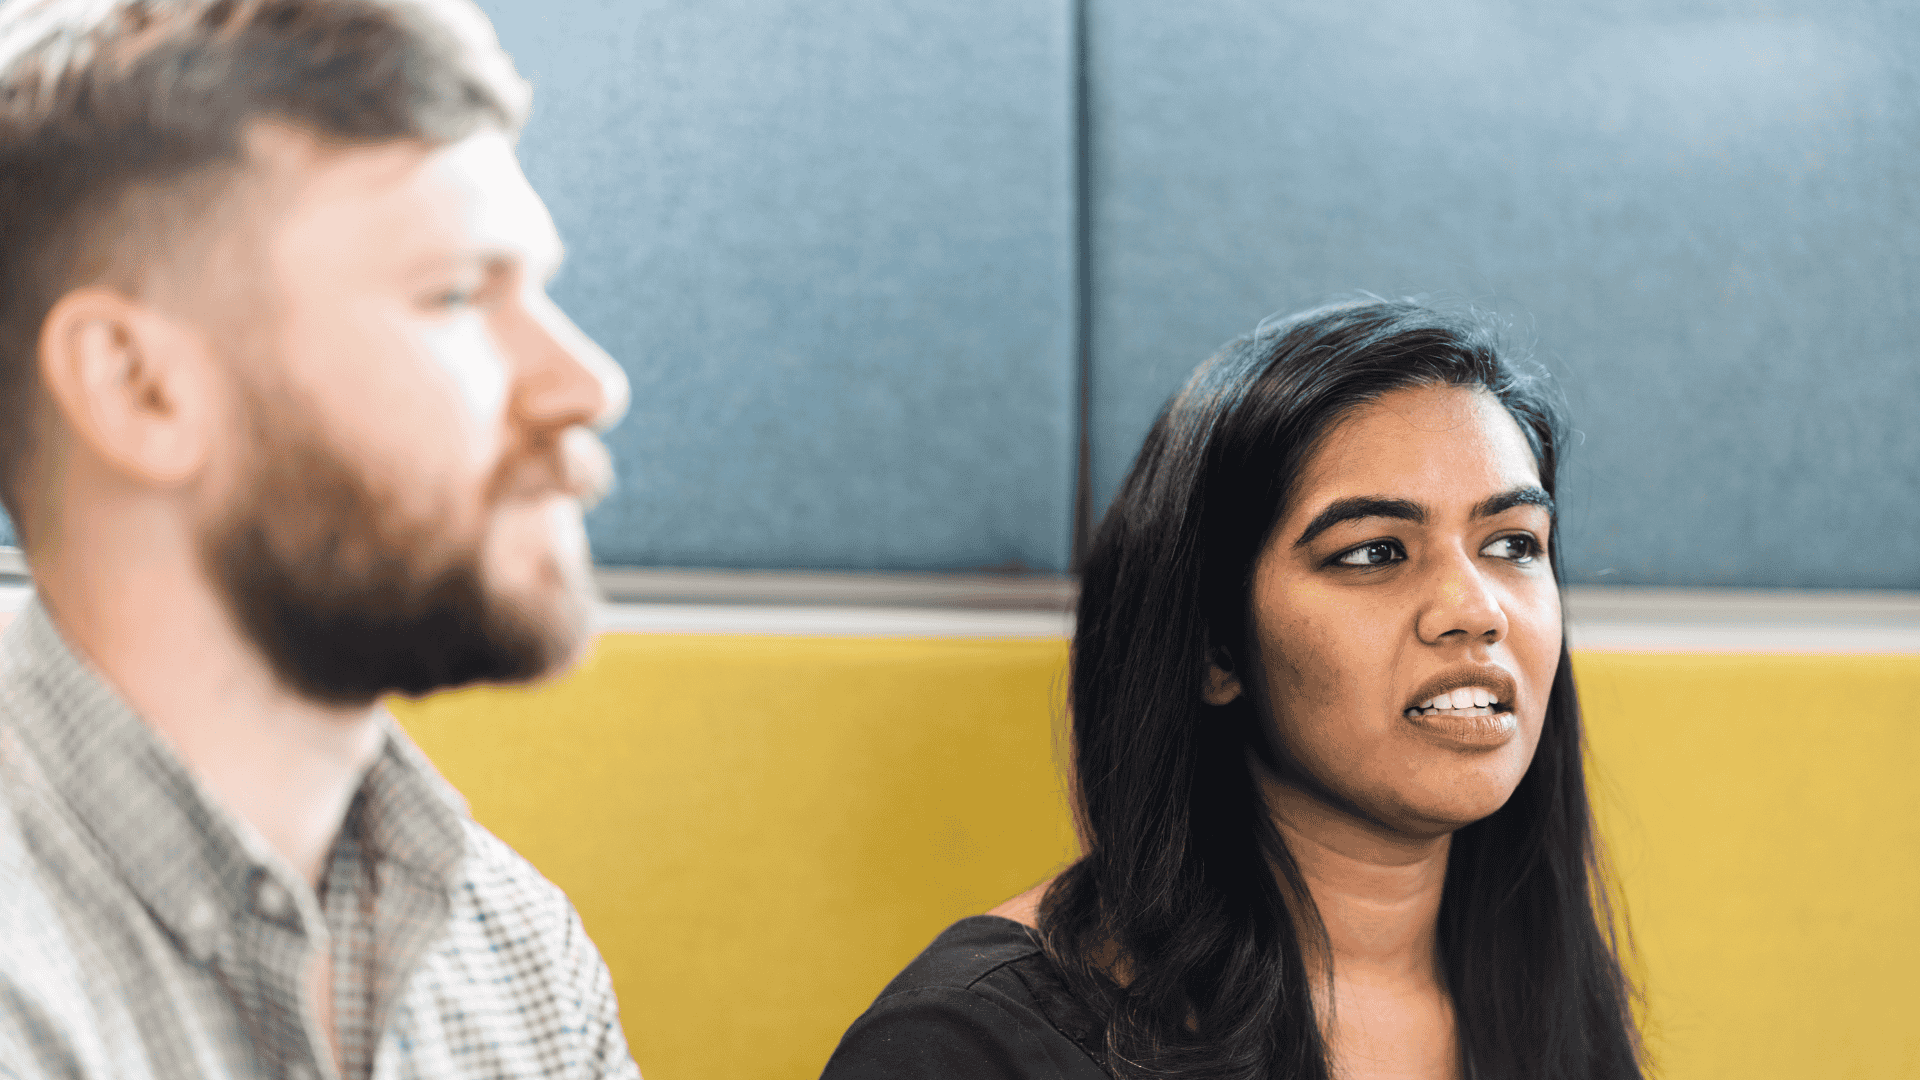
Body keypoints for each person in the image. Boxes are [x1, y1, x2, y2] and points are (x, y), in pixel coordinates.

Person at [0, 1, 641, 1077]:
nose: (585, 383)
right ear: (141, 388)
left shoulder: (518, 957)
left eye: (538, 287)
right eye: (452, 295)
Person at [823, 300, 1645, 1079]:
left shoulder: (1548, 994)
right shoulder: (967, 1045)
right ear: (1217, 648)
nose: (1475, 609)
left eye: (1512, 544)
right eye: (1374, 553)